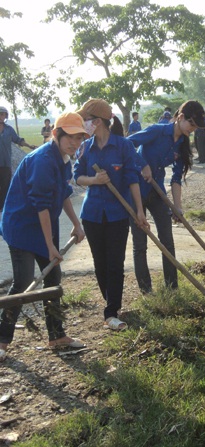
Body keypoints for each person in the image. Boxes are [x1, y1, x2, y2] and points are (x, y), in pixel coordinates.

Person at [0, 112, 88, 362]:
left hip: (42, 227)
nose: (75, 143)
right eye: (70, 137)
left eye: (79, 138)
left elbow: (63, 193)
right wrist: (50, 246)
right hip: (21, 227)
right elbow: (41, 205)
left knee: (53, 279)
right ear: (56, 134)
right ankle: (2, 340)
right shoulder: (41, 160)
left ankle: (56, 335)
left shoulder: (63, 159)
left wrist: (76, 224)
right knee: (23, 283)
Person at [74, 98, 149, 331]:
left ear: (97, 122)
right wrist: (94, 180)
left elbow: (132, 180)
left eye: (85, 121)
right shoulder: (85, 147)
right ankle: (110, 304)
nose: (83, 125)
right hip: (93, 214)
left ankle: (111, 310)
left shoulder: (124, 146)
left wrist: (139, 211)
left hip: (118, 214)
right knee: (100, 263)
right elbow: (77, 177)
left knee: (116, 262)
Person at [127, 100, 205, 293]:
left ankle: (172, 288)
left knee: (167, 240)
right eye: (192, 125)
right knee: (141, 243)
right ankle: (146, 291)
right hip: (136, 190)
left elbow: (177, 178)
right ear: (180, 118)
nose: (193, 130)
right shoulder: (157, 131)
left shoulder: (181, 145)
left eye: (196, 127)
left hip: (157, 193)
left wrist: (177, 208)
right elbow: (127, 144)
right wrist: (142, 164)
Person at [0, 106, 36, 211]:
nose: (1, 117)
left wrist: (29, 145)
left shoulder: (9, 130)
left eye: (3, 115)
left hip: (6, 163)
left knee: (5, 186)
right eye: (0, 114)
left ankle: (2, 208)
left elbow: (18, 140)